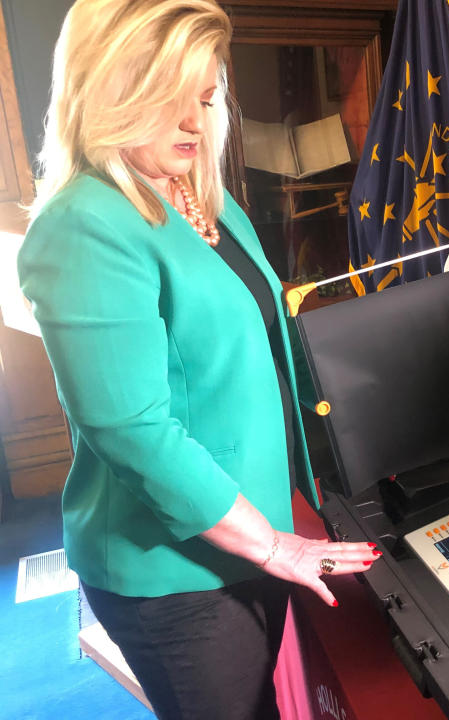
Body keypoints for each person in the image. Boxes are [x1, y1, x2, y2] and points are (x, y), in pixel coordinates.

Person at [17, 1, 381, 718]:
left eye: (207, 98)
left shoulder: (197, 194)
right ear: (109, 93)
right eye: (169, 98)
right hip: (174, 576)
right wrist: (275, 547)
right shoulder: (82, 224)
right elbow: (132, 432)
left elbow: (260, 347)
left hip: (250, 536)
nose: (195, 121)